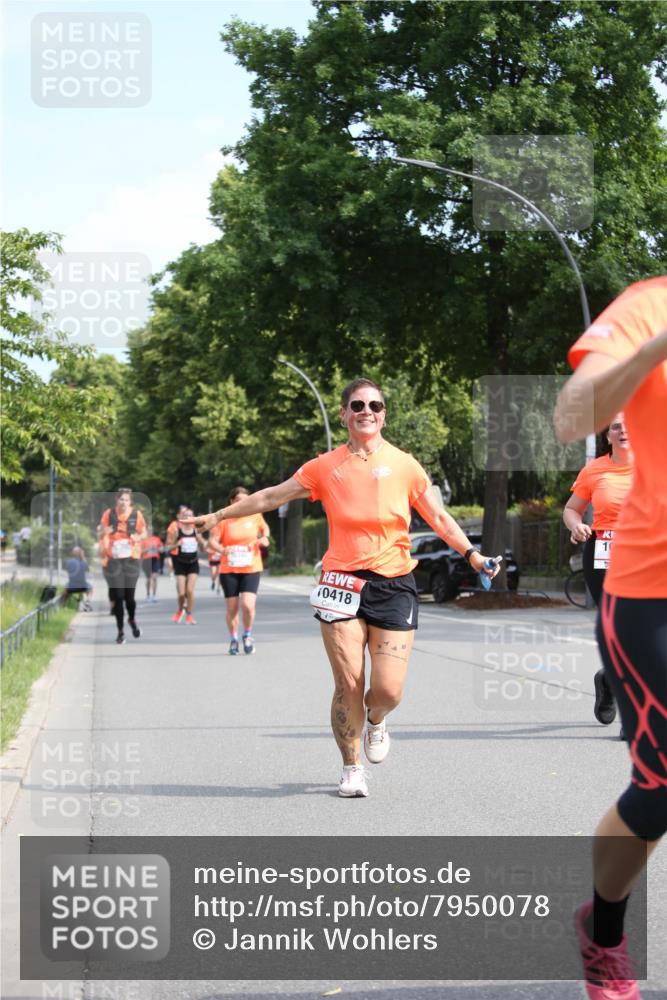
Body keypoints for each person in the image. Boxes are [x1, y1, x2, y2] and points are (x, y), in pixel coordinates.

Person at [188, 377, 499, 797]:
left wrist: (473, 555)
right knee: (348, 683)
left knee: (388, 689)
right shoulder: (324, 466)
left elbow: (440, 519)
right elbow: (270, 498)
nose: (366, 411)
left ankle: (376, 720)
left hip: (394, 582)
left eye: (374, 404)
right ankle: (351, 767)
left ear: (384, 413)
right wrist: (218, 516)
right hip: (341, 583)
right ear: (343, 413)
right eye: (357, 405)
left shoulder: (406, 465)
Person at [554, 275, 667, 1000]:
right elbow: (572, 416)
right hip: (653, 586)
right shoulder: (646, 305)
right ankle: (603, 934)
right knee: (661, 790)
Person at [563, 415, 633, 731]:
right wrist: (576, 526)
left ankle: (609, 678)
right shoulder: (595, 470)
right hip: (603, 553)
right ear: (607, 435)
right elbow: (571, 509)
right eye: (616, 426)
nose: (624, 430)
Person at [209, 486, 270, 655]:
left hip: (251, 566)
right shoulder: (223, 519)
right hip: (229, 568)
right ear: (231, 502)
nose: (242, 504)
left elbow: (265, 530)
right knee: (232, 609)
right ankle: (234, 638)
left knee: (248, 606)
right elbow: (212, 542)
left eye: (245, 501)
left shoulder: (255, 515)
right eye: (238, 501)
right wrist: (222, 550)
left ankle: (248, 634)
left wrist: (264, 538)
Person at [97, 488, 147, 644]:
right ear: (117, 501)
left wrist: (138, 536)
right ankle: (120, 631)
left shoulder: (136, 515)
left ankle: (131, 619)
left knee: (129, 598)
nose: (123, 502)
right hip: (113, 559)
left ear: (130, 501)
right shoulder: (109, 514)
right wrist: (103, 531)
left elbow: (144, 533)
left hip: (131, 559)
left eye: (126, 500)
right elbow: (100, 532)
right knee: (118, 596)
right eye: (121, 499)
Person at [166, 507, 204, 624]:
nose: (188, 517)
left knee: (190, 591)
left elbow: (203, 547)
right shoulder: (177, 531)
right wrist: (177, 544)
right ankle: (179, 610)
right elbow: (168, 547)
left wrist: (202, 543)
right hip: (180, 563)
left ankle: (189, 614)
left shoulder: (196, 531)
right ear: (181, 517)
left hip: (193, 563)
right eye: (185, 515)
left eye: (190, 515)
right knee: (182, 593)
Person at [63, 546, 93, 610]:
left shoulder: (68, 562)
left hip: (71, 587)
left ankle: (64, 605)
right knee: (90, 588)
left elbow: (67, 570)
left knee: (66, 589)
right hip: (83, 586)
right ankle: (88, 601)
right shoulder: (83, 562)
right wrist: (83, 557)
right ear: (80, 554)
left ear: (72, 553)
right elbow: (88, 570)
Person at [141, 527, 162, 602]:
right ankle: (148, 595)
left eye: (151, 530)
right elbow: (140, 551)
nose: (150, 531)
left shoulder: (157, 539)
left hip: (155, 559)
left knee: (155, 578)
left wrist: (158, 549)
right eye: (148, 530)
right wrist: (147, 549)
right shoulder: (143, 540)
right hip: (147, 560)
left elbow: (161, 548)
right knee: (148, 579)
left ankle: (154, 595)